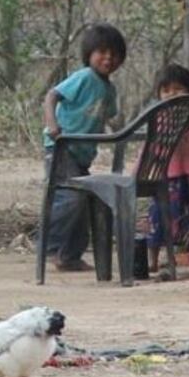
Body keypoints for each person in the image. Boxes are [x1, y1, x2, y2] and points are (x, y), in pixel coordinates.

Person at [41, 22, 126, 271]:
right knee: (70, 198)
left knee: (85, 200)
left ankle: (69, 256)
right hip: (61, 147)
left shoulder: (109, 89)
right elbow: (51, 96)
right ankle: (50, 246)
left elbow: (110, 117)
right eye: (102, 52)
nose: (108, 58)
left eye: (114, 54)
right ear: (89, 54)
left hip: (81, 155)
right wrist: (52, 125)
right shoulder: (84, 77)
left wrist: (119, 128)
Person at [146, 64, 189, 272]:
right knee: (159, 219)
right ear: (158, 94)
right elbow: (149, 149)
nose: (172, 94)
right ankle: (153, 260)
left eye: (178, 88)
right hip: (167, 178)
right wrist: (138, 175)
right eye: (166, 90)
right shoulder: (159, 118)